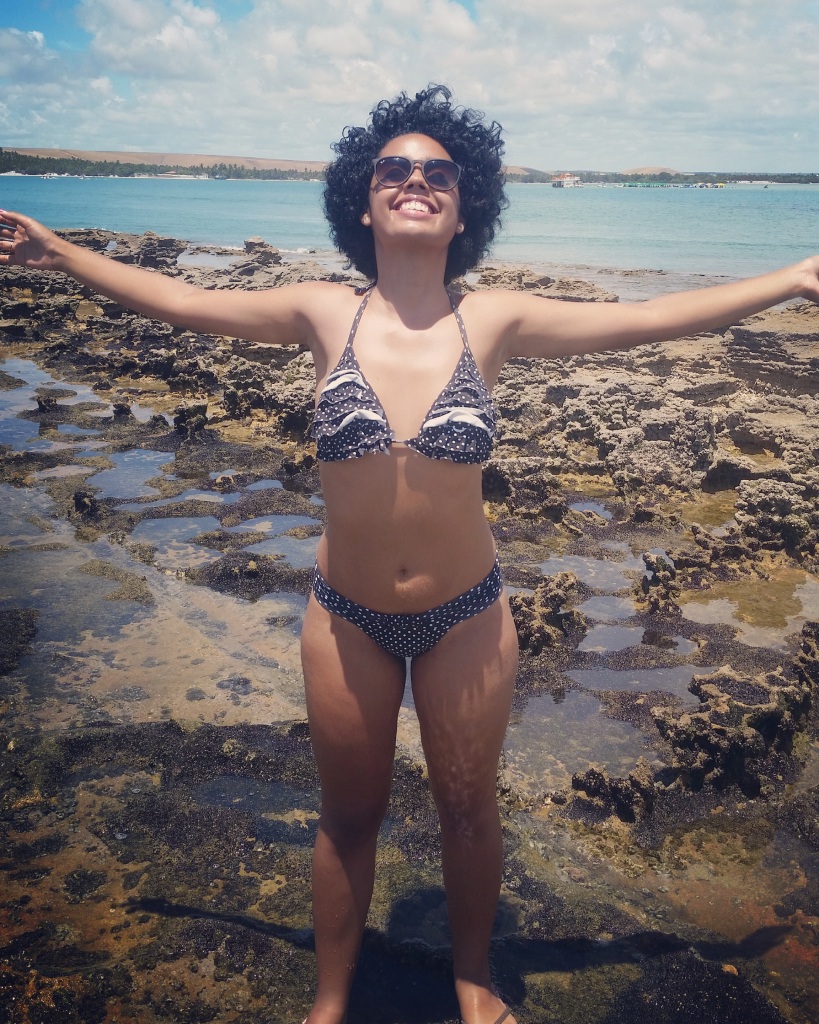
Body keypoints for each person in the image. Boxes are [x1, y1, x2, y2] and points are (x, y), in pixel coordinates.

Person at [1, 84, 818, 1024]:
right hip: (344, 616)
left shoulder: (493, 321)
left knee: (468, 811)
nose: (416, 180)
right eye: (394, 168)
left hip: (464, 616)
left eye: (439, 172)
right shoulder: (322, 312)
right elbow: (185, 301)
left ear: (465, 209)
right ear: (363, 199)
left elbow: (654, 317)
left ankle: (473, 980)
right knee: (349, 818)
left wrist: (793, 278)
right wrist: (61, 254)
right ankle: (329, 1001)